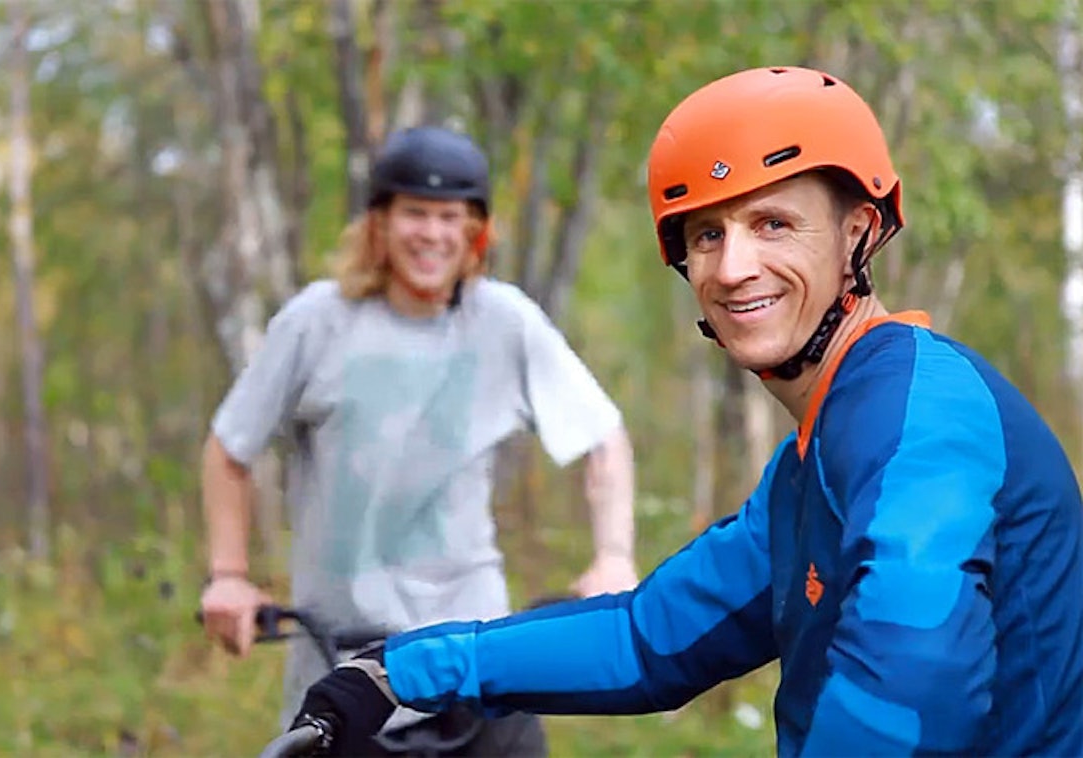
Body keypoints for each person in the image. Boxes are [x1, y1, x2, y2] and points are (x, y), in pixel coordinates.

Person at [287, 67, 1083, 756]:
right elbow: (647, 641)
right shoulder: (812, 464)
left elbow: (915, 680)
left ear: (858, 232)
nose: (735, 267)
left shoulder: (919, 418)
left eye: (773, 222)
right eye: (707, 234)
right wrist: (403, 670)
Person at [198, 125, 640, 756]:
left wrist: (614, 557)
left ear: (474, 232)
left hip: (478, 662)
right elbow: (228, 449)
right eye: (414, 214)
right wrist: (229, 575)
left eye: (448, 217)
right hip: (348, 670)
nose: (431, 234)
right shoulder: (315, 323)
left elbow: (603, 439)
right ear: (378, 224)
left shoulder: (504, 322)